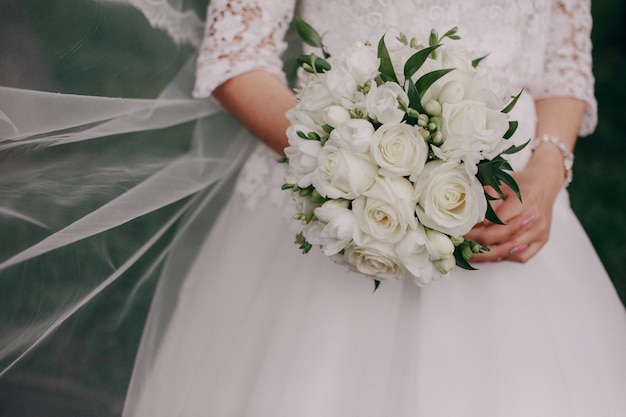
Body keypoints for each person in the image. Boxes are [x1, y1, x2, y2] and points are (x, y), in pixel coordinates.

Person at [0, 1, 625, 416]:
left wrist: (545, 175)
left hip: (511, 216)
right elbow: (237, 56)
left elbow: (563, 66)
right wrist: (367, 170)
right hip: (328, 205)